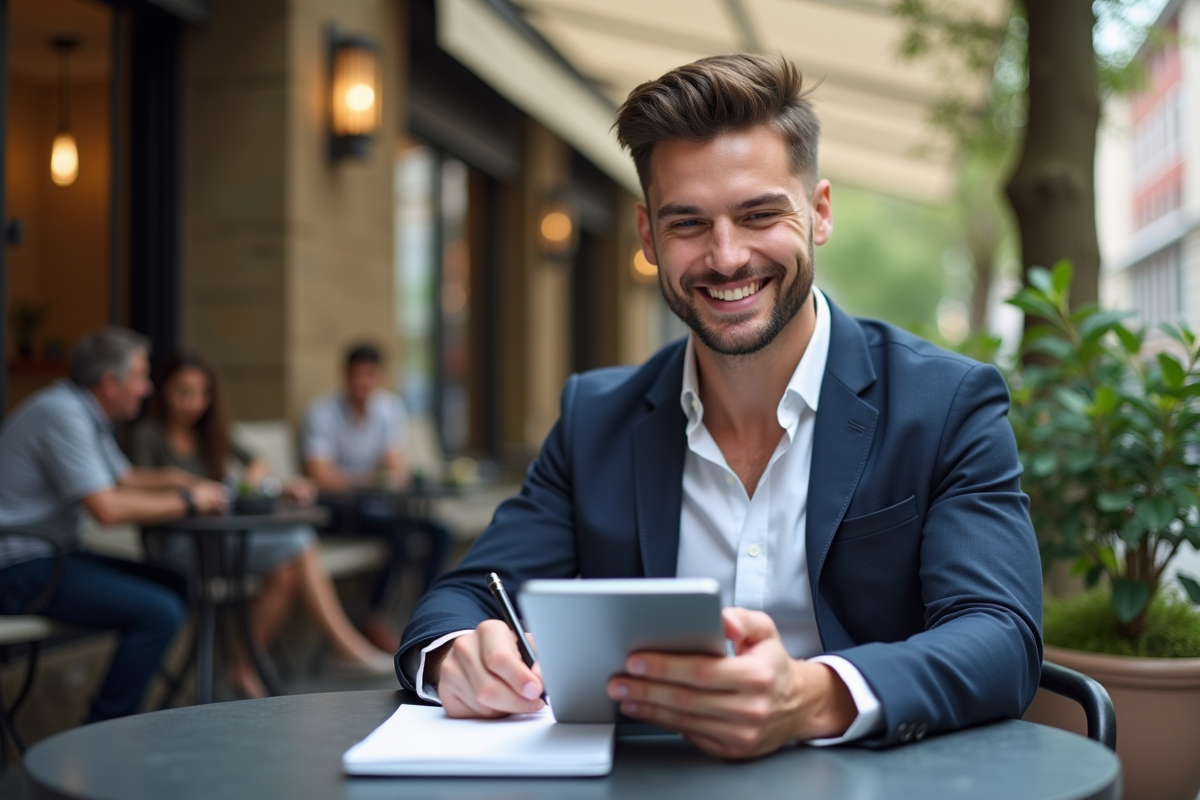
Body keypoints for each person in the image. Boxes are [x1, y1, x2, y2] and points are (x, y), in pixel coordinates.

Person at [397, 54, 1042, 759]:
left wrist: (810, 698)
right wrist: (457, 655)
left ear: (819, 213)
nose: (726, 257)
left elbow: (1000, 634)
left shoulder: (947, 403)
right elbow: (464, 597)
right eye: (688, 225)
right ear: (648, 236)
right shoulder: (595, 418)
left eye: (759, 214)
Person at [128, 351, 394, 697]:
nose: (194, 403)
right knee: (299, 539)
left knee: (285, 571)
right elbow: (135, 487)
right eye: (183, 392)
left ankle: (242, 665)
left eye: (202, 393)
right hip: (176, 548)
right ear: (163, 391)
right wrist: (187, 487)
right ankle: (344, 646)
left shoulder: (210, 433)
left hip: (222, 541)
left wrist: (270, 483)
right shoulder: (148, 435)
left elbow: (254, 463)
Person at [0, 328, 228, 722]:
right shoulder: (61, 414)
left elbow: (123, 478)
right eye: (140, 377)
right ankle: (104, 730)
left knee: (176, 583)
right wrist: (190, 501)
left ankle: (155, 707)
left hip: (56, 554)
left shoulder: (87, 414)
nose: (147, 388)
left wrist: (183, 479)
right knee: (159, 611)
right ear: (110, 383)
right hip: (18, 566)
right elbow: (106, 509)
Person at [303, 343, 451, 652]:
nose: (362, 384)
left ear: (379, 377)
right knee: (400, 536)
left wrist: (388, 474)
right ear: (344, 376)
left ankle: (428, 614)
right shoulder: (322, 412)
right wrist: (368, 480)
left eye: (369, 376)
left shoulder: (388, 408)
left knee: (440, 533)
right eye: (356, 376)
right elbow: (319, 475)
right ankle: (371, 617)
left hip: (376, 508)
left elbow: (393, 462)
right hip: (337, 511)